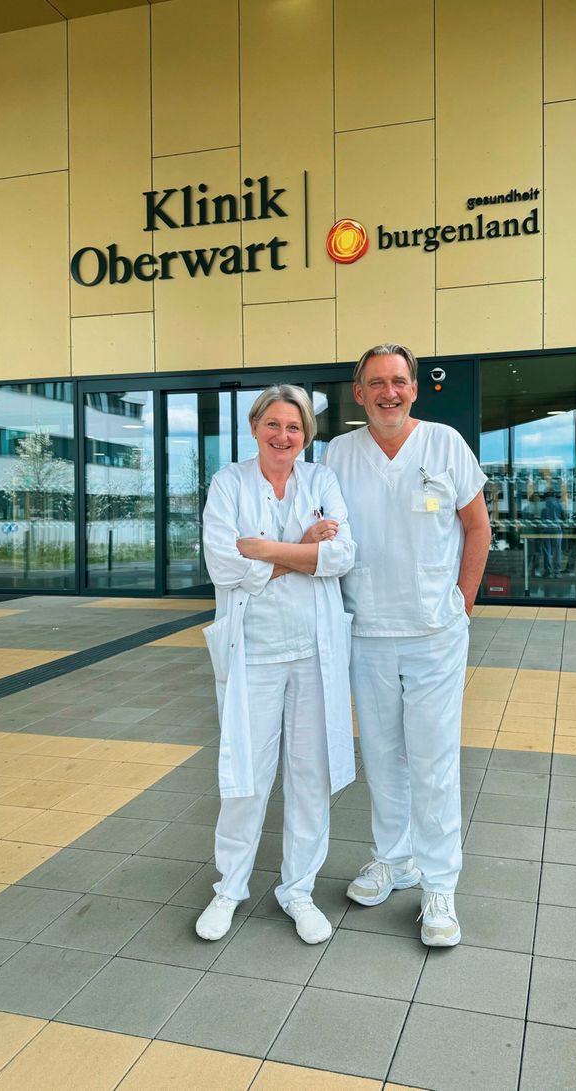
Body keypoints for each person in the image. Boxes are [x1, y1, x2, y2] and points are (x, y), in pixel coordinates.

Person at [323, 344, 491, 947]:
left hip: (433, 633)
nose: (388, 392)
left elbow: (477, 527)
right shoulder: (339, 454)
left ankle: (440, 883)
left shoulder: (445, 444)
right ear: (359, 393)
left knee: (434, 758)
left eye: (398, 381)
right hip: (367, 630)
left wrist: (462, 604)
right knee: (383, 754)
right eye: (376, 383)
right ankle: (394, 859)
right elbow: (324, 531)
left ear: (414, 389)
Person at [196, 385, 356, 946]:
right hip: (254, 652)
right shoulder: (229, 483)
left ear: (306, 434)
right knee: (246, 775)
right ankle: (229, 888)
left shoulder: (321, 481)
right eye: (274, 424)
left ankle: (299, 891)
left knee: (311, 776)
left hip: (314, 651)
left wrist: (267, 549)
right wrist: (303, 549)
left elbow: (342, 555)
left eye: (294, 427)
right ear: (254, 426)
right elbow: (224, 565)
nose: (283, 435)